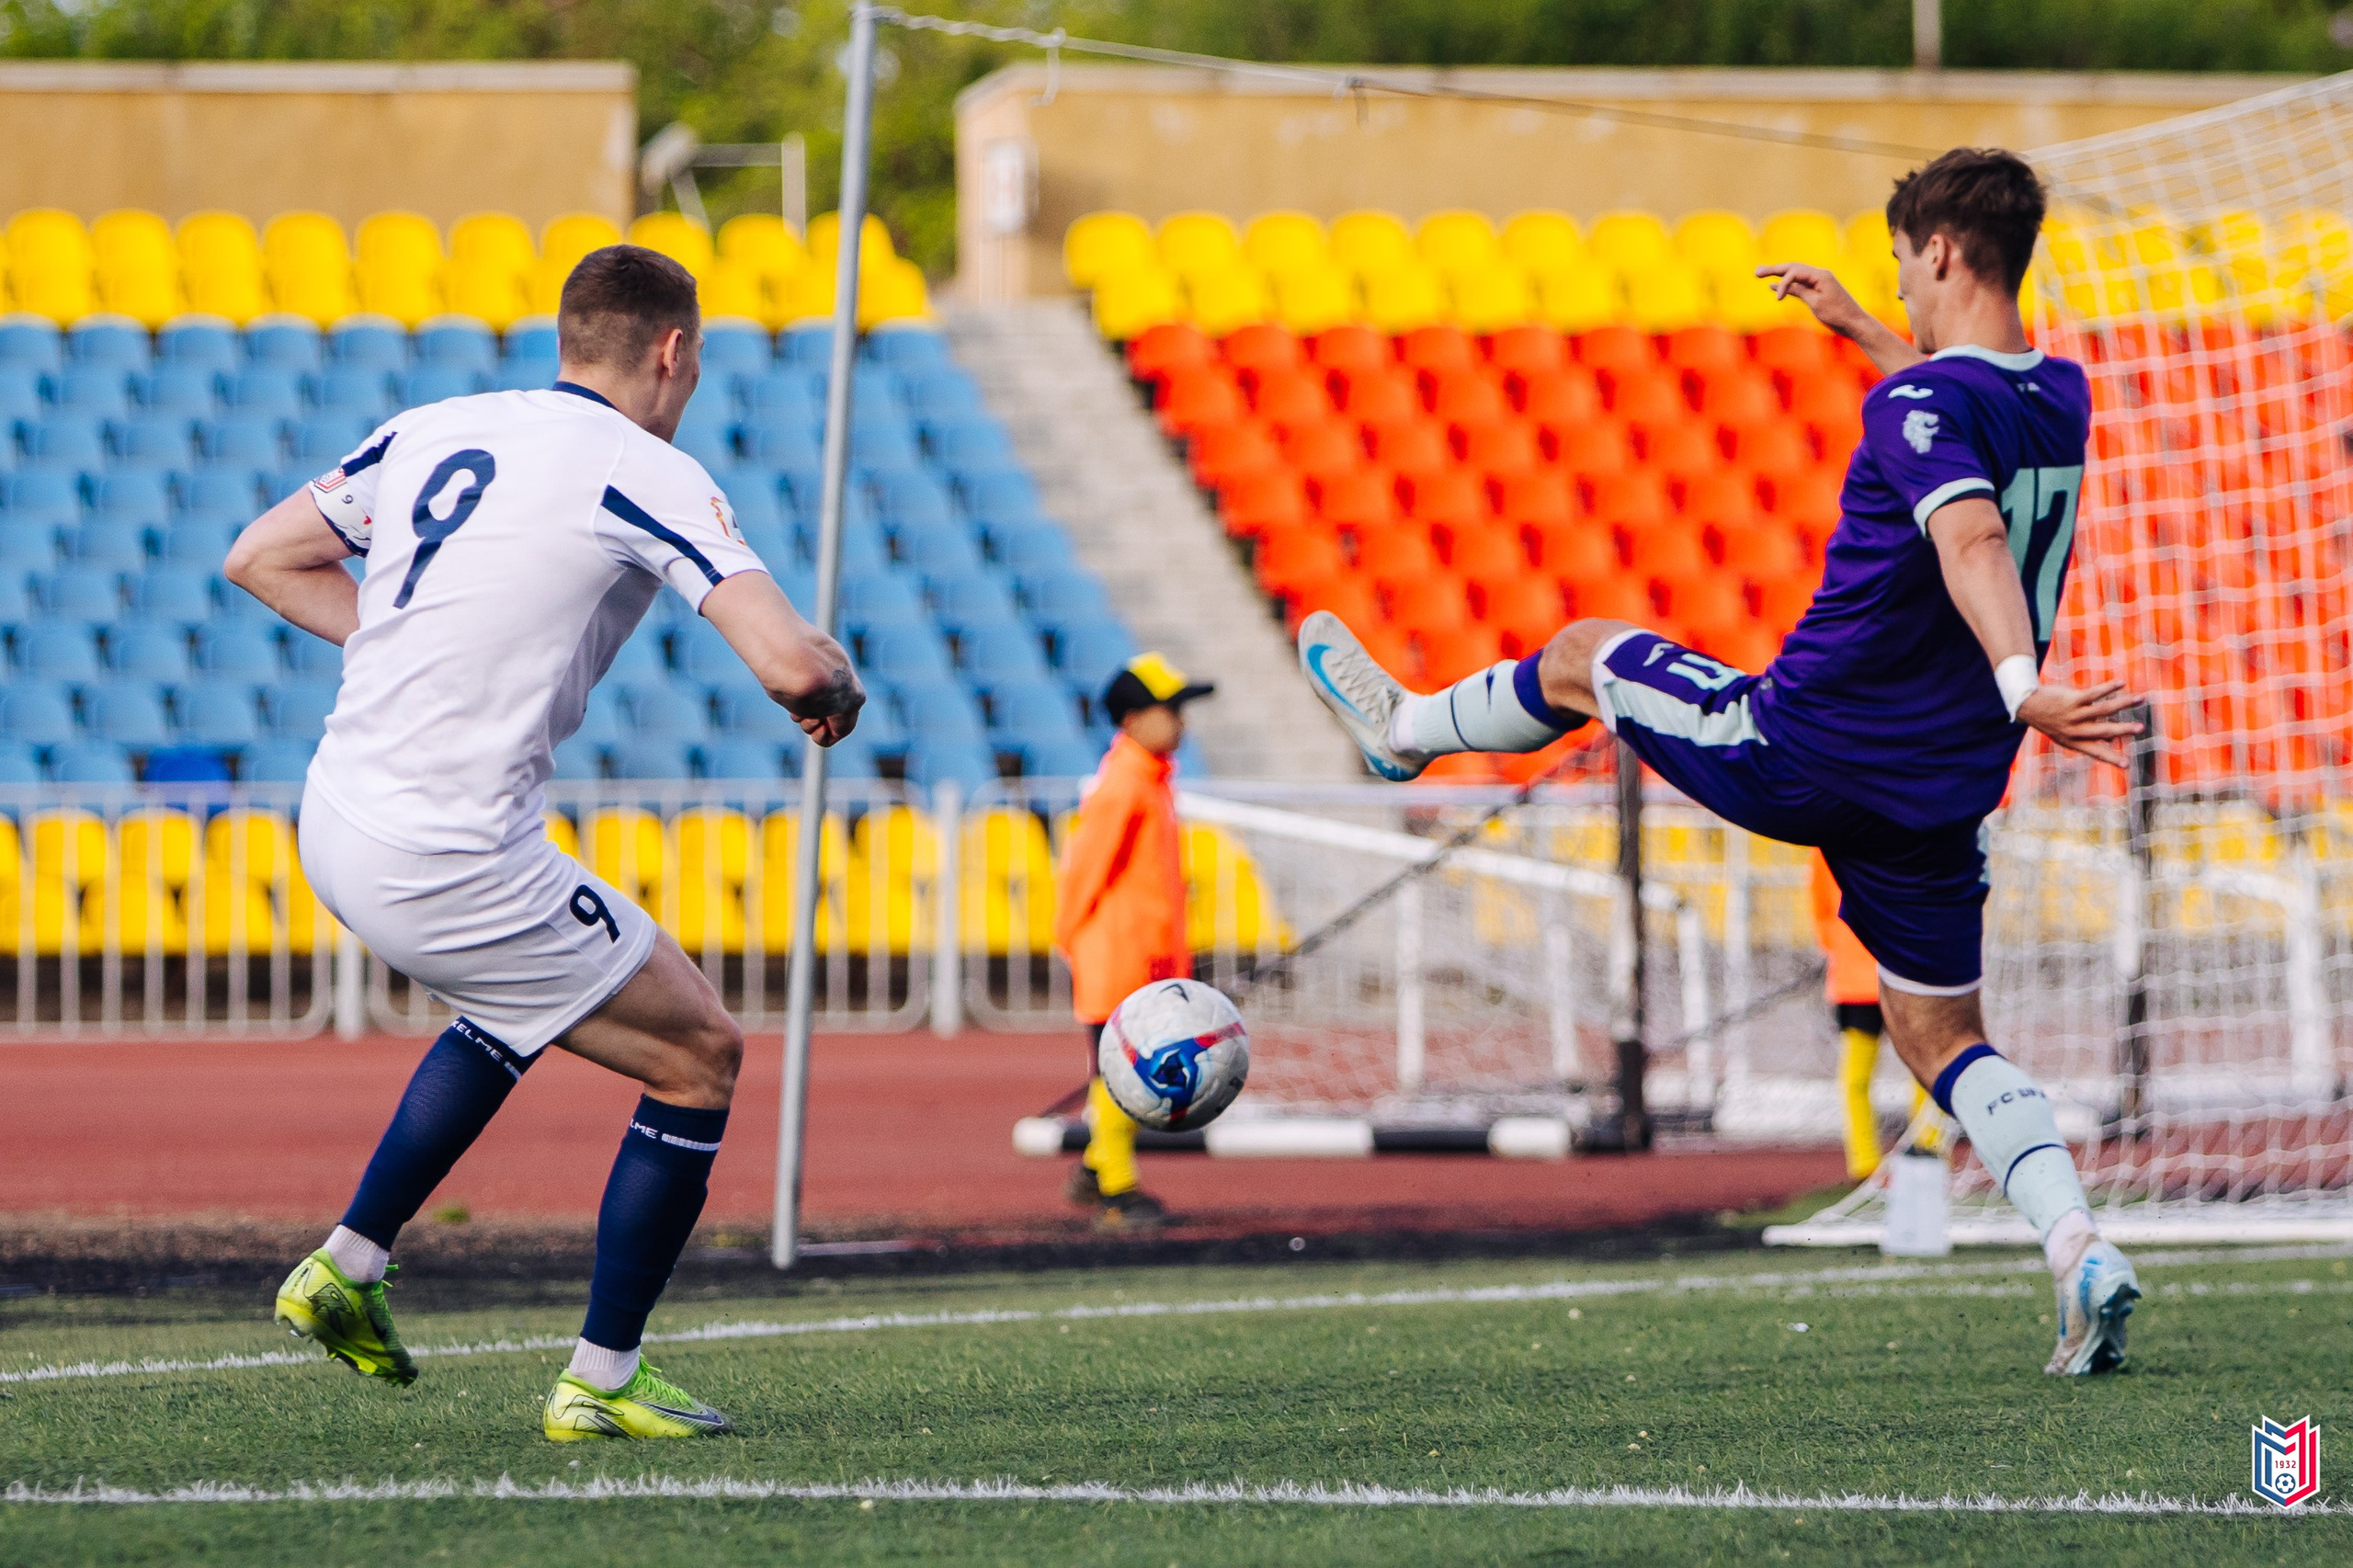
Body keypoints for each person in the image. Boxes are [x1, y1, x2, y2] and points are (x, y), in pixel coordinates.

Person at [1298, 148, 2147, 1376]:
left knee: (1583, 654)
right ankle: (2077, 1247)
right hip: (1943, 789)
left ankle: (1404, 732)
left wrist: (2027, 683)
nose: (1895, 287)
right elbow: (1950, 409)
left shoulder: (1914, 409)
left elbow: (1967, 535)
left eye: (1899, 265)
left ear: (1942, 252)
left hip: (1805, 746)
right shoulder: (2059, 393)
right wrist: (1862, 331)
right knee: (1941, 1034)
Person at [225, 244, 863, 1438]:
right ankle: (603, 1376)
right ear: (673, 351)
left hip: (341, 812)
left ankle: (349, 1263)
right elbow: (790, 664)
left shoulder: (435, 425)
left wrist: (406, 653)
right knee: (700, 1054)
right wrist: (836, 682)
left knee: (511, 1007)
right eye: (696, 361)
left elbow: (258, 556)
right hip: (452, 851)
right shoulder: (645, 467)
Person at [1051, 653, 1214, 1230]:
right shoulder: (1125, 785)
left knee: (1127, 1073)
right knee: (1123, 1075)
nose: (1181, 722)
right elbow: (1083, 871)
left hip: (1140, 959)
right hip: (1119, 959)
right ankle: (1116, 1190)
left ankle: (1098, 1169)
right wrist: (1074, 940)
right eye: (1171, 709)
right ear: (1134, 718)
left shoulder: (1147, 780)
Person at [1811, 851, 1933, 1180]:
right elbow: (1821, 909)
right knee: (1860, 1075)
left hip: (1903, 974)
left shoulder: (1904, 836)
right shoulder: (1826, 849)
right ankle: (1868, 1165)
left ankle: (1926, 1152)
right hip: (1864, 981)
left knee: (1921, 1070)